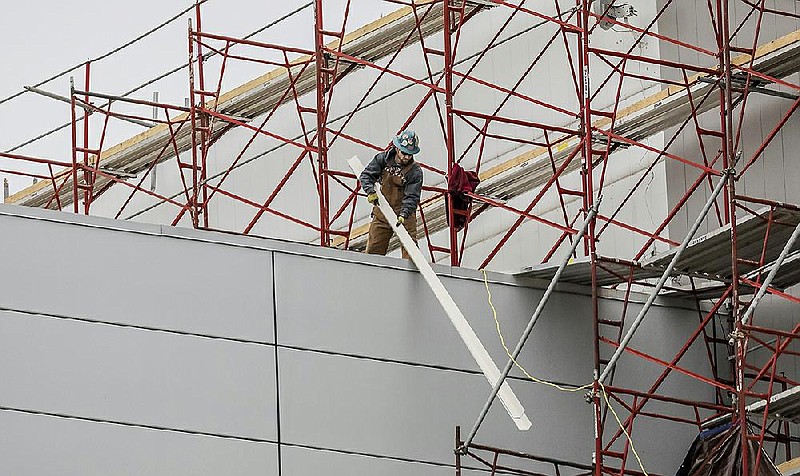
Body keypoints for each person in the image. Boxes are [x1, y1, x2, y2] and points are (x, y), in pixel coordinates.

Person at [359, 130, 423, 259]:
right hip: (382, 212)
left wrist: (404, 214)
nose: (406, 157)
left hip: (404, 215)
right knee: (373, 252)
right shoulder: (382, 159)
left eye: (410, 155)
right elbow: (366, 176)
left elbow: (412, 197)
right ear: (397, 148)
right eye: (404, 153)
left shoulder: (415, 172)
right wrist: (370, 191)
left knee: (411, 255)